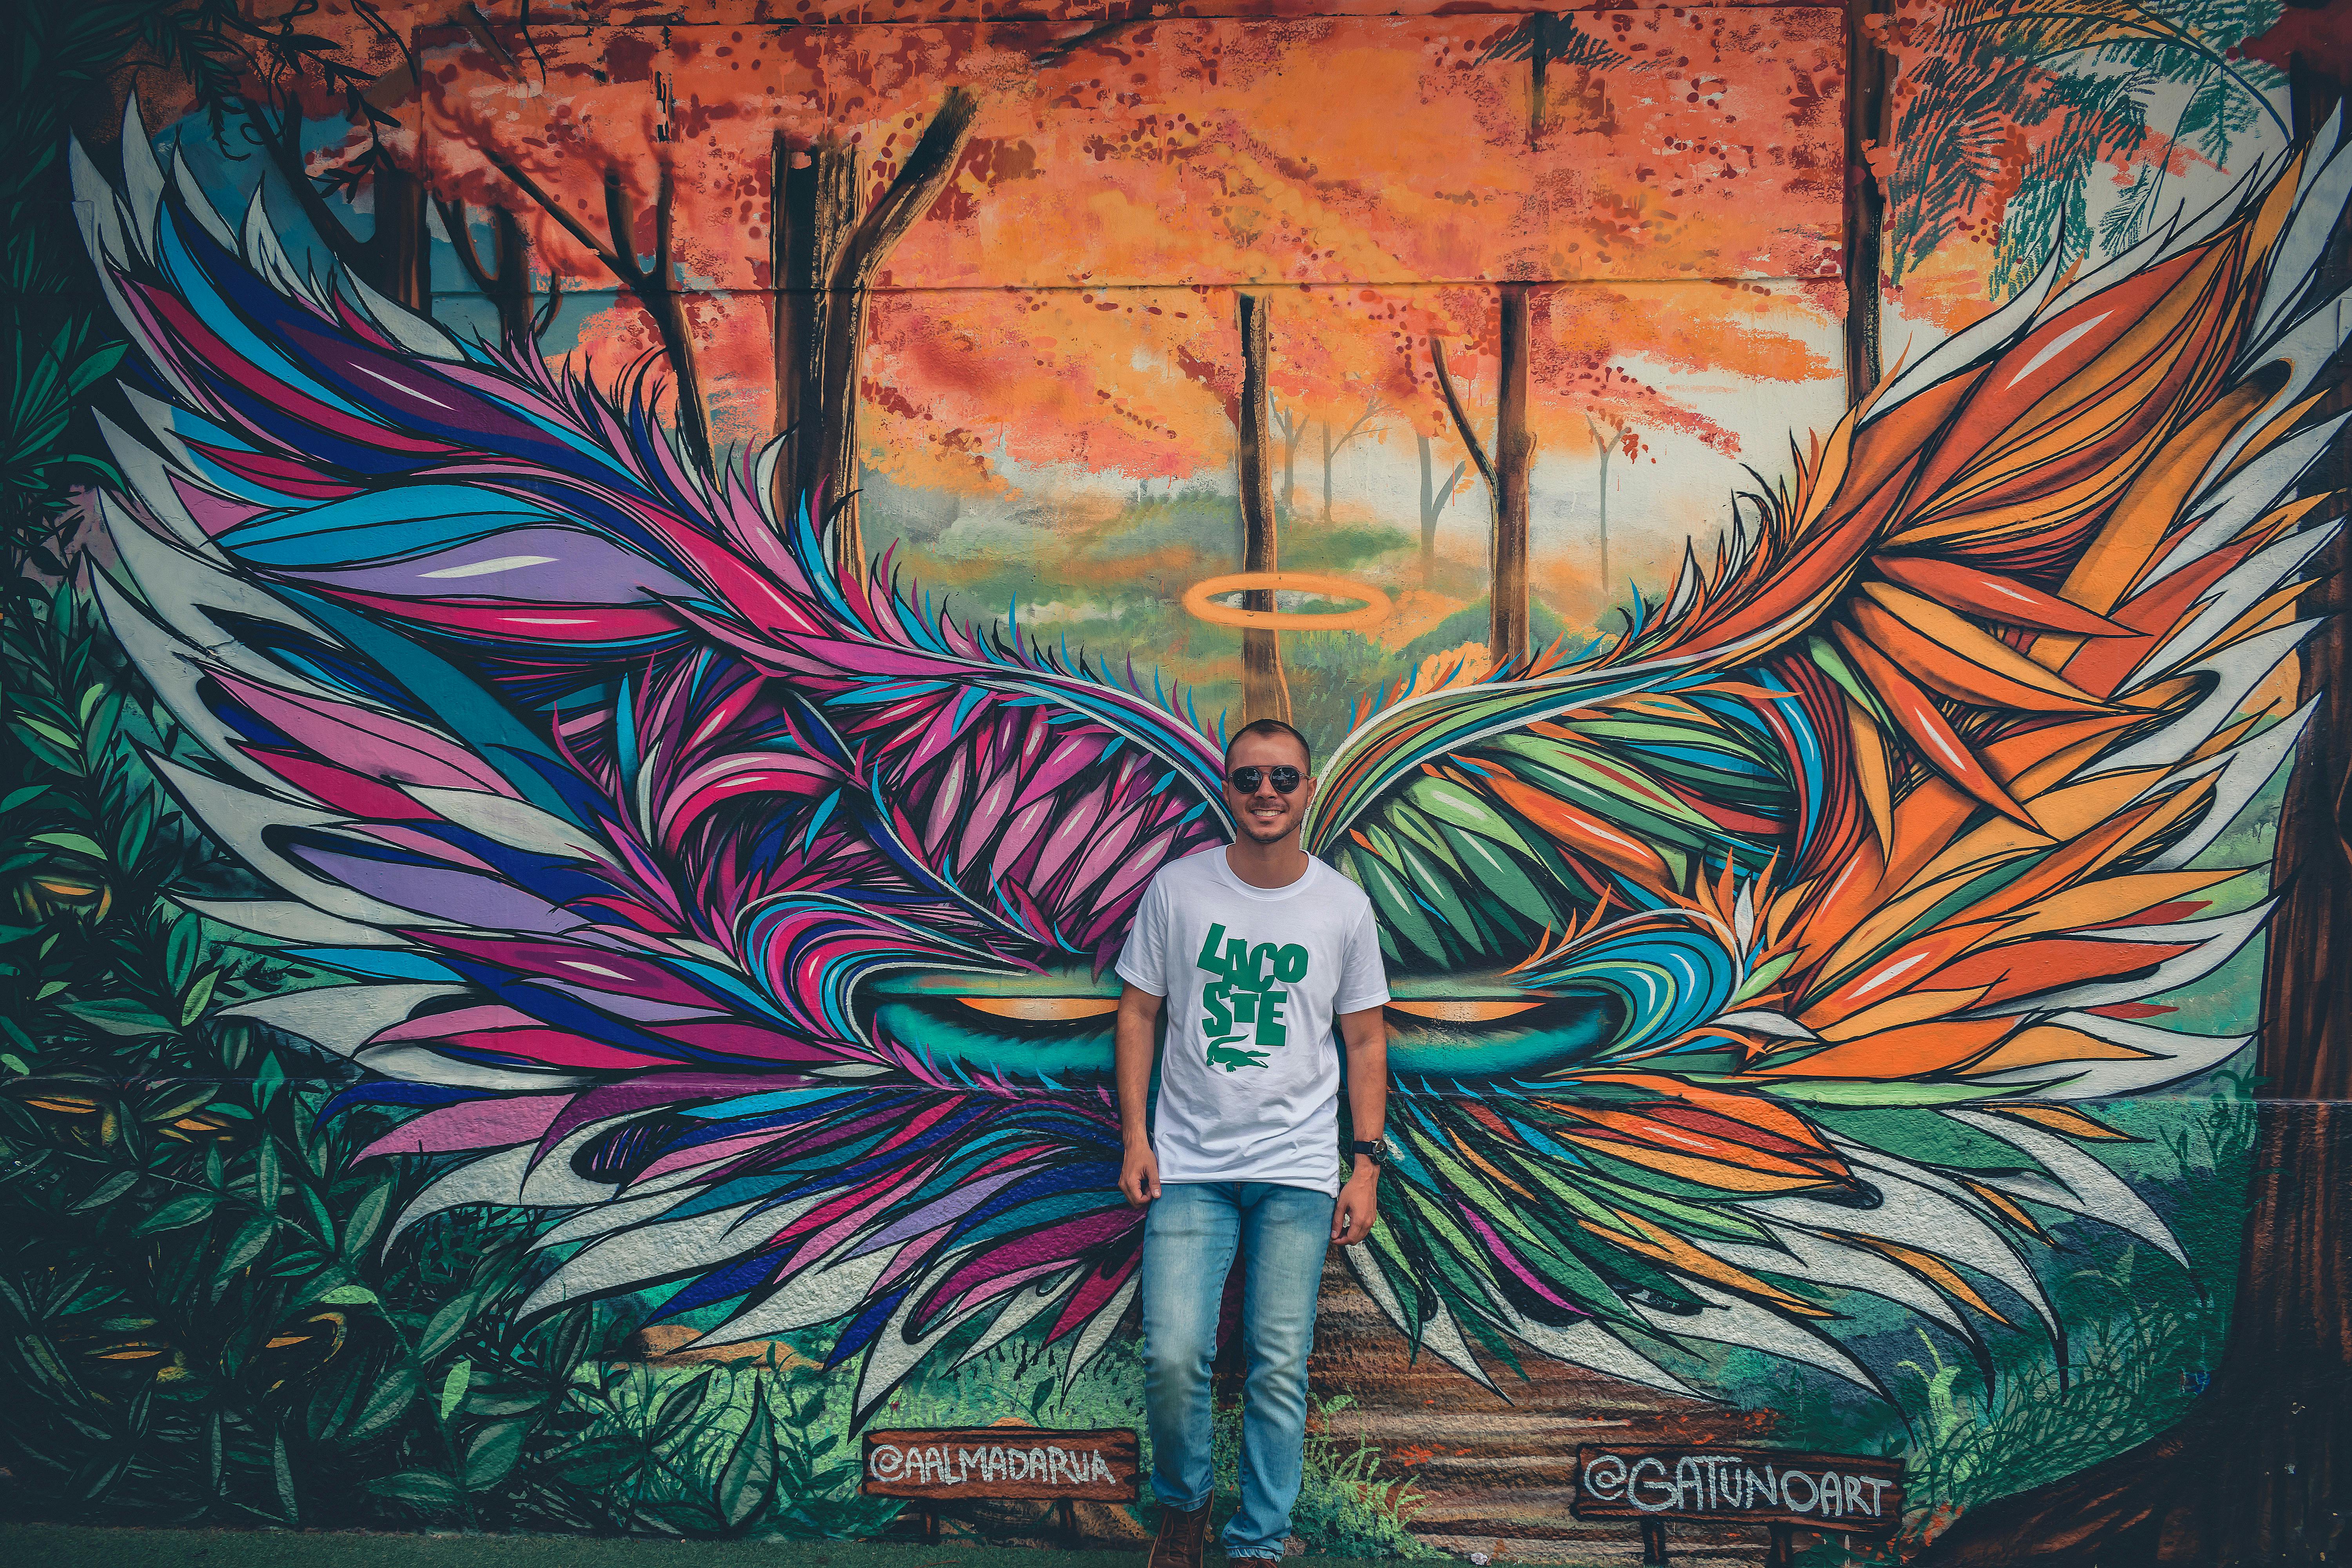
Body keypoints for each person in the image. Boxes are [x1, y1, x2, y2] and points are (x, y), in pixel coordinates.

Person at [1114, 717, 1393, 1568]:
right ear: (1225, 788)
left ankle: (1260, 1538)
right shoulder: (1178, 890)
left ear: (1308, 790)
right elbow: (1137, 1012)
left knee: (1278, 1362)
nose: (1265, 792)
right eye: (1248, 778)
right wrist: (1135, 1134)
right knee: (1173, 1354)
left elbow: (1366, 1041)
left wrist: (1366, 1162)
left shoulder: (1342, 904)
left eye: (1283, 777)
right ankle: (1186, 1504)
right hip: (1190, 1164)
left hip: (1299, 1171)